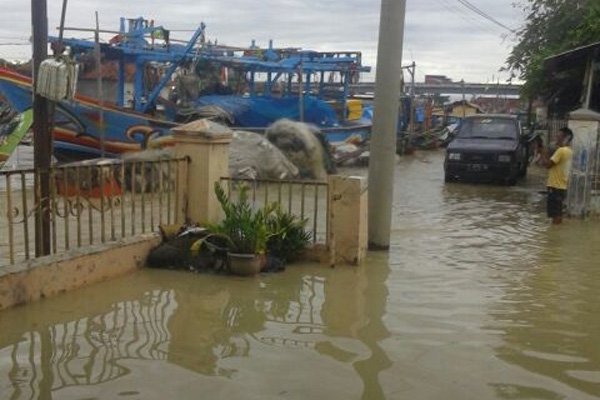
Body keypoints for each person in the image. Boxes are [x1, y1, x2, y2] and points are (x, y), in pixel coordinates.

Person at [542, 127, 574, 224]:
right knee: (558, 213)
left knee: (555, 215)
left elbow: (547, 165)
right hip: (562, 187)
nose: (557, 138)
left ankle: (552, 237)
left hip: (554, 187)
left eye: (559, 136)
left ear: (566, 138)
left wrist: (542, 152)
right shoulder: (569, 151)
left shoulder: (561, 151)